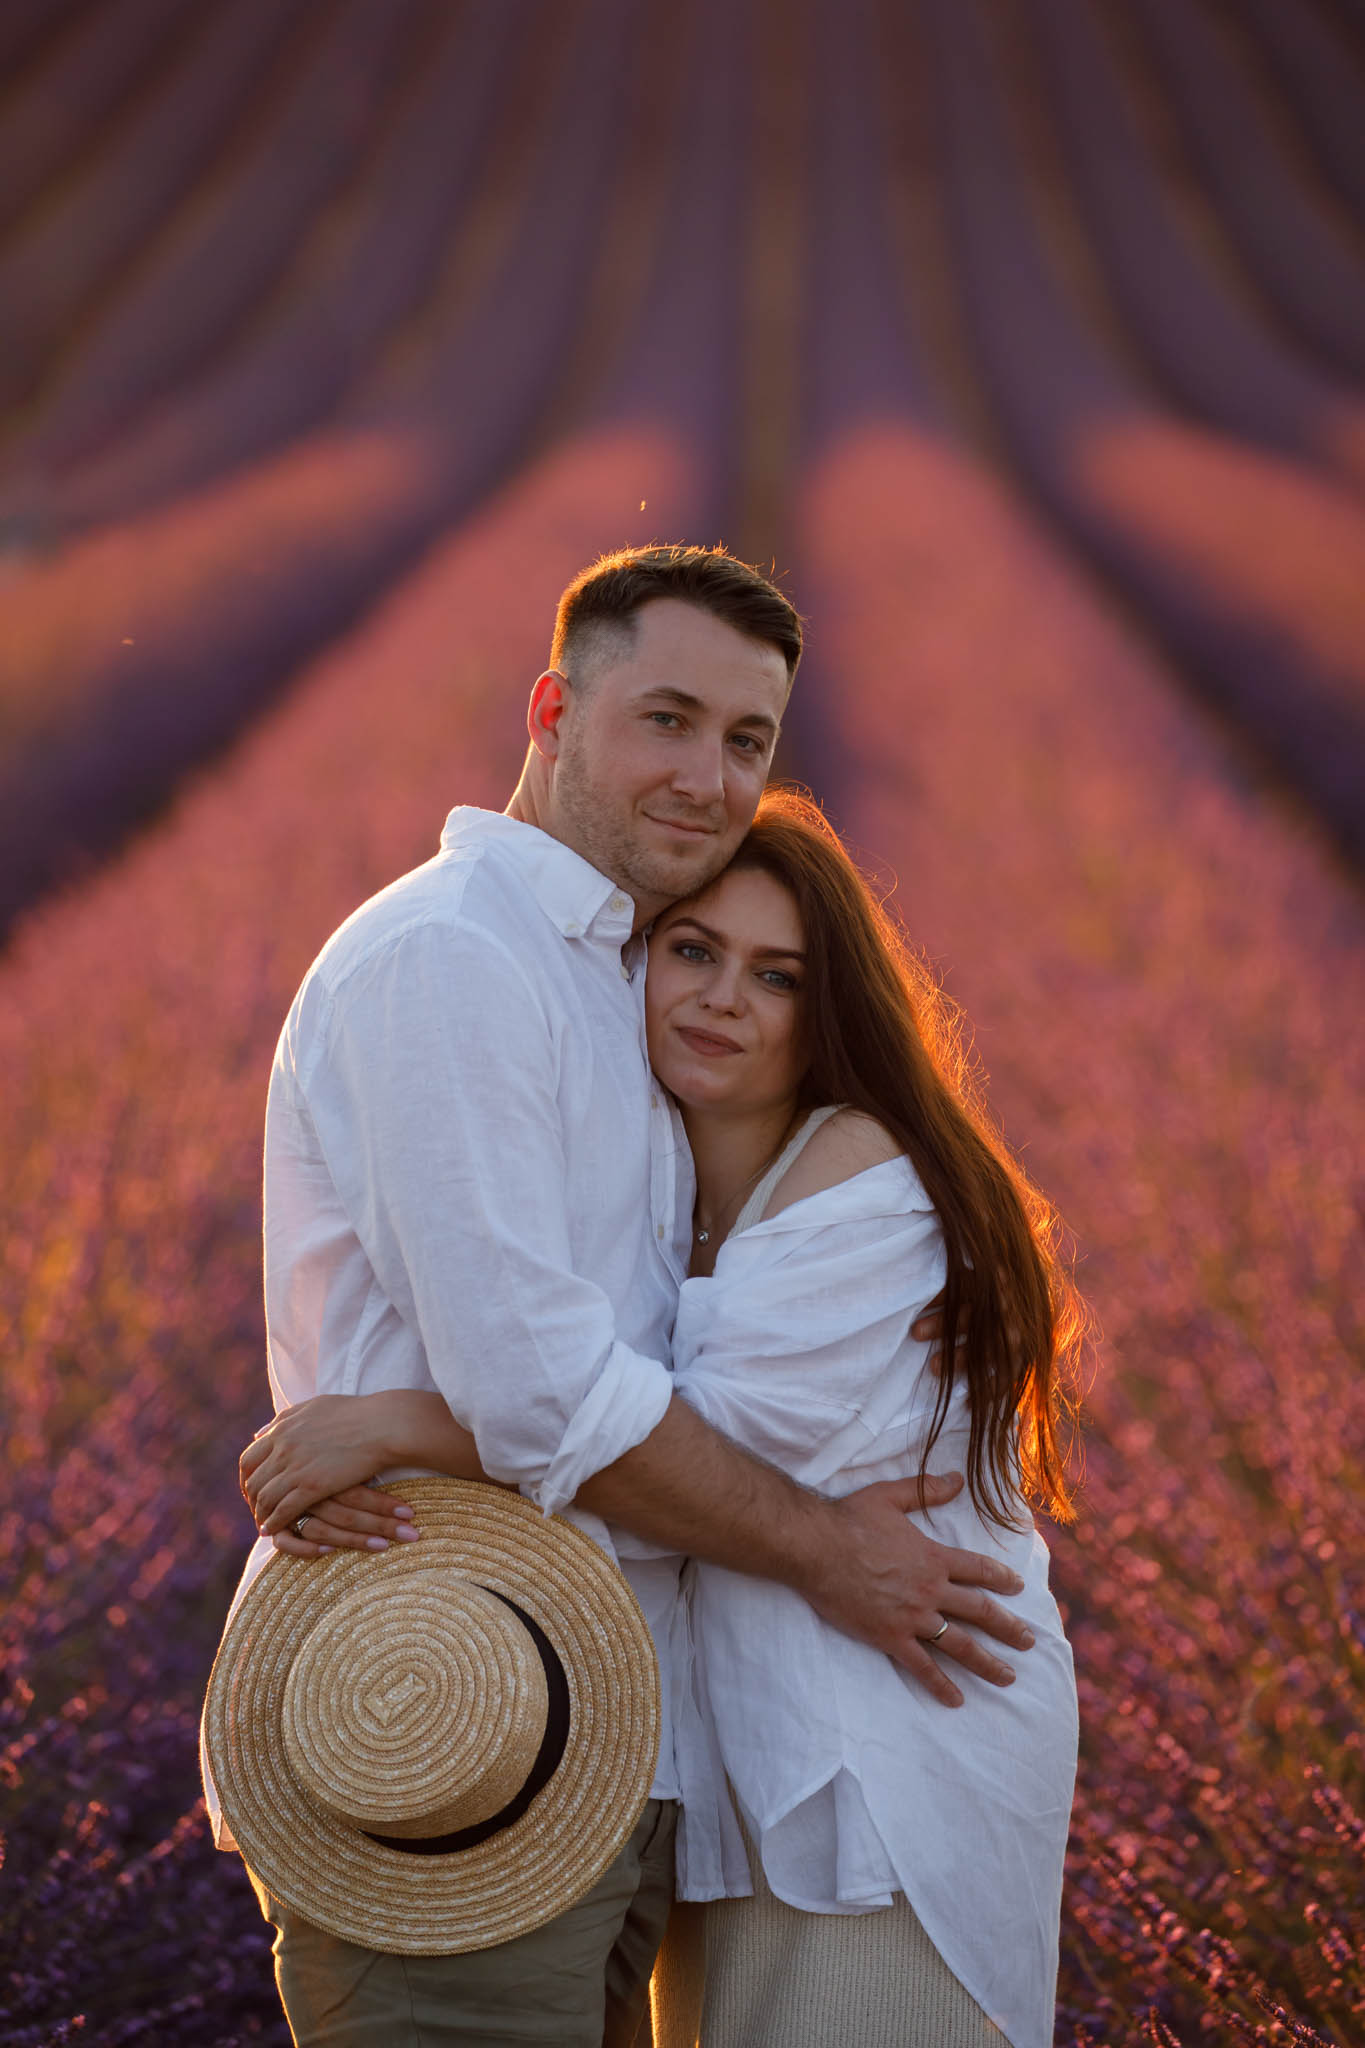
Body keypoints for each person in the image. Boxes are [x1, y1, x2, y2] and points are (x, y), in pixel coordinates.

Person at [218, 544, 1038, 2048]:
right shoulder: (455, 960)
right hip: (447, 1699)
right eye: (665, 719)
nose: (708, 779)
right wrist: (825, 1549)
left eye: (747, 739)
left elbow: (655, 1355)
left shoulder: (612, 977)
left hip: (611, 1727)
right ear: (551, 711)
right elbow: (539, 1391)